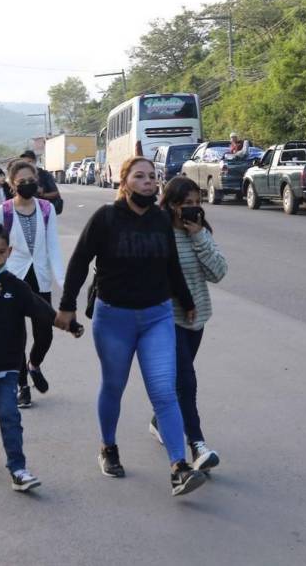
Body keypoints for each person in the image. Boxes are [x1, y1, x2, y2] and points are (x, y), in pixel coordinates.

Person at [55, 156, 207, 497]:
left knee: (164, 392)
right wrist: (67, 306)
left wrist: (186, 299)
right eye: (140, 177)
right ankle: (108, 447)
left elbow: (171, 265)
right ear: (124, 182)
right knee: (114, 385)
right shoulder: (106, 218)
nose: (148, 182)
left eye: (153, 177)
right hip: (114, 319)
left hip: (157, 316)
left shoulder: (158, 220)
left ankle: (178, 467)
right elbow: (80, 262)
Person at [0, 223, 83, 492]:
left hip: (9, 366)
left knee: (10, 417)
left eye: (1, 253)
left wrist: (69, 325)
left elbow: (41, 310)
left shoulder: (16, 286)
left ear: (9, 252)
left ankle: (18, 468)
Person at [151, 176, 227, 472]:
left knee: (176, 381)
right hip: (165, 319)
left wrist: (198, 236)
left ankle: (160, 418)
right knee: (186, 380)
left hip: (196, 320)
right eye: (187, 204)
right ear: (171, 205)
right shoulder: (159, 231)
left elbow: (218, 272)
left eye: (198, 203)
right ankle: (197, 444)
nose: (194, 209)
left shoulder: (199, 232)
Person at [0, 160, 64, 409]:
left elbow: (53, 245)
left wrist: (63, 281)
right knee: (15, 336)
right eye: (22, 182)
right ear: (12, 184)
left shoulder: (46, 209)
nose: (27, 185)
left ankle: (34, 364)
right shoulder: (4, 212)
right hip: (13, 277)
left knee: (45, 332)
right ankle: (22, 385)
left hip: (40, 277)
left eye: (31, 180)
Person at [19, 150, 62, 214]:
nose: (27, 165)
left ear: (35, 161)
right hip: (26, 211)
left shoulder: (45, 175)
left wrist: (43, 194)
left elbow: (56, 193)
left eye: (29, 161)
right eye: (24, 163)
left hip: (43, 212)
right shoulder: (20, 176)